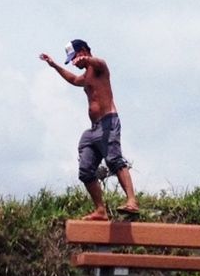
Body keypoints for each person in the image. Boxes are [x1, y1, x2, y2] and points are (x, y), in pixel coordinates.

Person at [39, 38, 141, 220]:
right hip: (94, 129)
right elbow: (73, 79)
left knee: (114, 160)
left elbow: (100, 61)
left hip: (108, 122)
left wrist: (87, 60)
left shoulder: (99, 67)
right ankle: (100, 210)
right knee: (85, 169)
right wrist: (54, 65)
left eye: (74, 57)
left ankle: (132, 201)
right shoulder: (86, 76)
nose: (73, 62)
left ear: (83, 50)